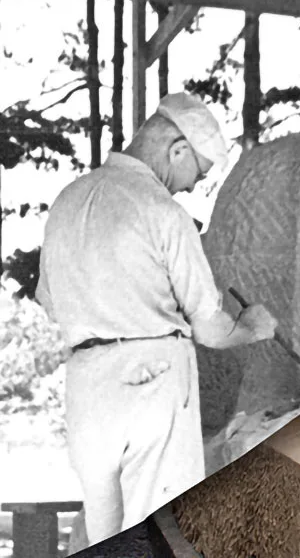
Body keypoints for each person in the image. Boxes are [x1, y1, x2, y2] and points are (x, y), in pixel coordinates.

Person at [35, 92, 278, 546]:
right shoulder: (162, 211)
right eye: (198, 174)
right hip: (152, 379)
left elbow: (50, 304)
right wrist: (251, 327)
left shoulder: (67, 202)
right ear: (178, 150)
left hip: (86, 387)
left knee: (103, 535)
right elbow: (211, 329)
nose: (191, 187)